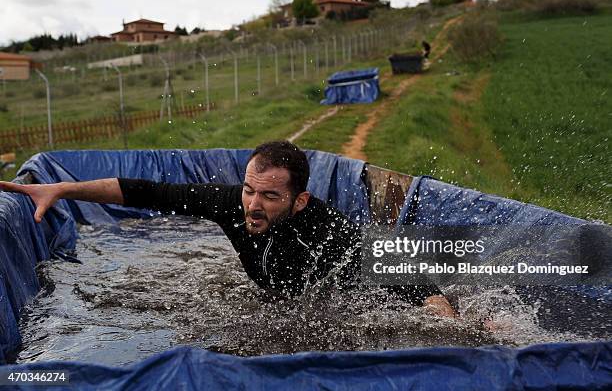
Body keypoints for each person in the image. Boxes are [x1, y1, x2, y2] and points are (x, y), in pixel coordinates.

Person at [0, 141, 455, 317]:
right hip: (273, 294)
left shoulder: (327, 229)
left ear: (300, 201)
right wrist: (60, 190)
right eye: (249, 190)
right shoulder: (231, 204)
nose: (253, 206)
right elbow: (143, 191)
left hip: (333, 303)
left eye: (270, 197)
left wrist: (449, 317)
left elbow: (403, 273)